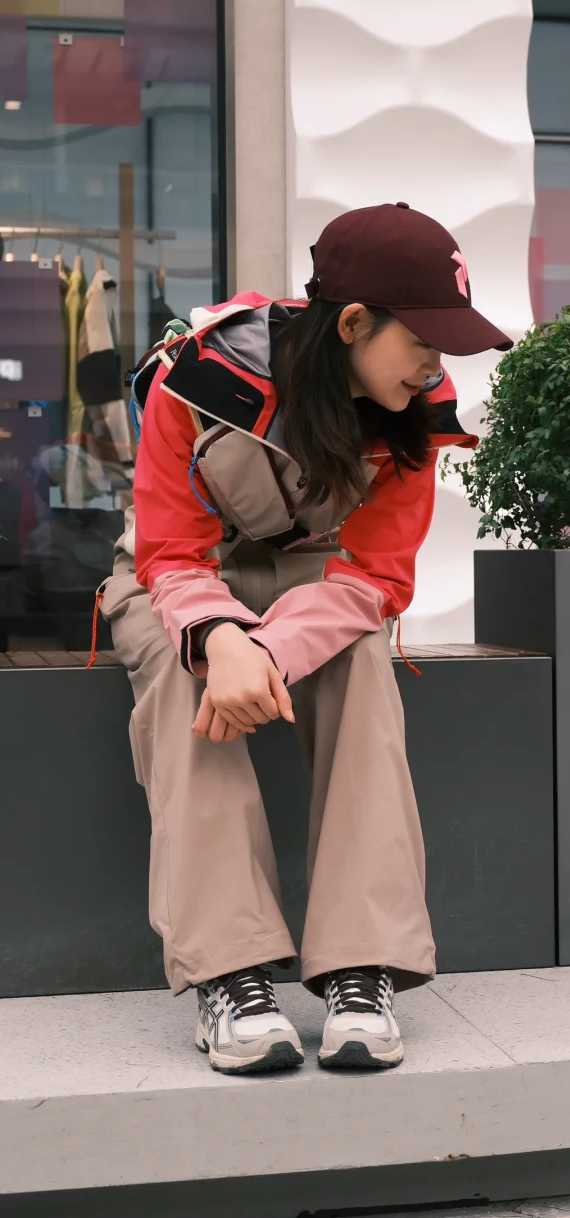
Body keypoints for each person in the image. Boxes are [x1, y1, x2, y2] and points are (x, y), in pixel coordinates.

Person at [100, 203, 511, 1075]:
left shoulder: (415, 408)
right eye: (425, 341)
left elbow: (377, 575)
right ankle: (231, 974)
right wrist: (219, 640)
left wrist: (267, 651)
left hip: (316, 584)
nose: (440, 364)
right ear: (354, 323)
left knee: (360, 659)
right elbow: (172, 548)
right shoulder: (199, 371)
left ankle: (360, 969)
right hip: (176, 575)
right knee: (184, 675)